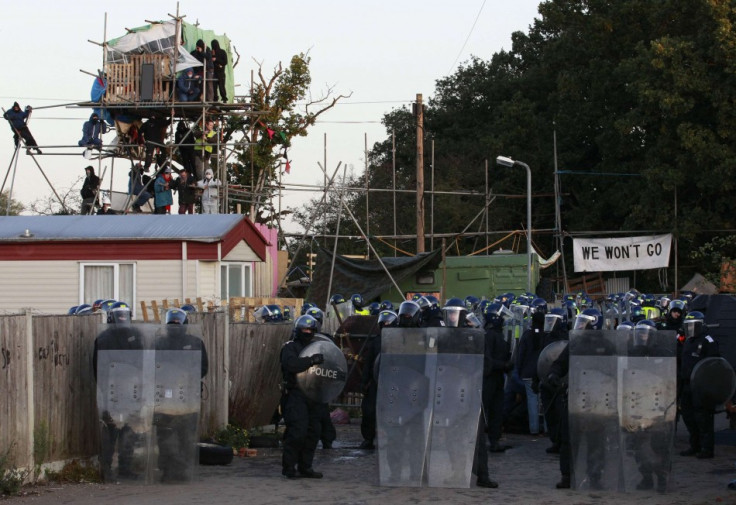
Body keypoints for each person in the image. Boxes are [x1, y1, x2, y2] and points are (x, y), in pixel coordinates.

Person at [155, 308, 208, 482]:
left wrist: (186, 378)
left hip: (187, 396)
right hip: (165, 397)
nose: (175, 326)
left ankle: (183, 469)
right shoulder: (160, 343)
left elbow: (203, 368)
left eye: (178, 323)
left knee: (185, 435)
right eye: (173, 323)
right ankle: (167, 470)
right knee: (165, 435)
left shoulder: (195, 342)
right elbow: (153, 367)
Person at [92, 302, 143, 480]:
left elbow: (141, 362)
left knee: (127, 430)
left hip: (129, 389)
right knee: (112, 430)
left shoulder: (133, 336)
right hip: (113, 390)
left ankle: (122, 468)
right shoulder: (104, 338)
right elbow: (99, 367)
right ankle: (108, 469)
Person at [280, 314, 325, 479]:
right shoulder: (290, 347)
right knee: (297, 432)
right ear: (298, 330)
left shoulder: (318, 347)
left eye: (310, 329)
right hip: (295, 394)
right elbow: (291, 365)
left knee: (313, 432)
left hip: (313, 395)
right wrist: (311, 361)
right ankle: (289, 467)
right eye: (304, 329)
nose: (307, 332)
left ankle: (306, 467)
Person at [679, 310, 720, 459]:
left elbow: (714, 364)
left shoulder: (708, 341)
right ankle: (694, 445)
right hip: (687, 384)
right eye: (687, 325)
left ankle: (706, 448)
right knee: (688, 416)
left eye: (692, 325)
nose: (689, 328)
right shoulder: (689, 341)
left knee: (703, 418)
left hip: (701, 385)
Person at [360, 309, 397, 450]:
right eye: (384, 323)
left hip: (394, 383)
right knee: (369, 411)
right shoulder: (376, 342)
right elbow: (369, 363)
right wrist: (364, 381)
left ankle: (390, 439)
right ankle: (368, 438)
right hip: (376, 381)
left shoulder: (402, 340)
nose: (386, 325)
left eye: (389, 323)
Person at [482, 302, 513, 452]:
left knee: (496, 409)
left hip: (496, 377)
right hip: (490, 377)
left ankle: (494, 439)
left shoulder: (496, 334)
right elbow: (488, 360)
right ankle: (487, 440)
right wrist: (504, 365)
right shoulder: (490, 335)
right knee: (489, 408)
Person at [516, 309, 546, 435]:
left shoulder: (527, 335)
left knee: (532, 401)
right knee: (544, 401)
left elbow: (521, 354)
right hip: (543, 372)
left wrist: (519, 370)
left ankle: (533, 429)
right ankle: (547, 428)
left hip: (528, 373)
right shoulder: (546, 335)